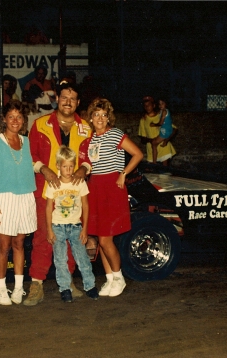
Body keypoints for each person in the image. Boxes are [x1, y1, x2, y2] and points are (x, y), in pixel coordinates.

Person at [24, 80, 92, 306]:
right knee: (44, 237)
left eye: (72, 99)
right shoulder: (40, 124)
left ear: (78, 103)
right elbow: (30, 156)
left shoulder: (86, 128)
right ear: (57, 100)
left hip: (73, 196)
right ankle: (36, 285)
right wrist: (44, 169)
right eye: (64, 98)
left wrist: (84, 168)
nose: (68, 102)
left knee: (73, 238)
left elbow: (90, 158)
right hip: (47, 193)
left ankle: (69, 282)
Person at [79, 98, 143, 297]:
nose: (100, 118)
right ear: (90, 118)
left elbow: (138, 154)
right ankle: (109, 279)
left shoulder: (115, 134)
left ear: (109, 118)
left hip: (111, 188)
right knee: (99, 238)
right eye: (96, 115)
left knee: (106, 239)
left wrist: (123, 173)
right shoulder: (89, 140)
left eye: (104, 115)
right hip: (95, 188)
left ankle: (119, 277)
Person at [0, 99, 37, 305]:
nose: (15, 120)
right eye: (11, 117)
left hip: (25, 198)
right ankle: (0, 289)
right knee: (3, 247)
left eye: (19, 117)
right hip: (3, 200)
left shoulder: (27, 142)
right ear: (4, 120)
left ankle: (18, 288)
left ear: (23, 121)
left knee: (19, 244)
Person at [46, 145, 98, 302]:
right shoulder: (53, 184)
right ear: (58, 166)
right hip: (58, 226)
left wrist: (85, 229)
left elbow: (86, 205)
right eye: (64, 167)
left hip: (76, 226)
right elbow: (49, 208)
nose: (68, 170)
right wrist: (49, 230)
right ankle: (65, 288)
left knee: (82, 257)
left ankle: (90, 285)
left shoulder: (79, 183)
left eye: (71, 166)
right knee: (60, 259)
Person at [138, 96, 177, 166]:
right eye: (145, 106)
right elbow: (143, 139)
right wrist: (151, 140)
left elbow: (174, 129)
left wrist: (166, 140)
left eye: (149, 105)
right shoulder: (143, 120)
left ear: (154, 105)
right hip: (152, 152)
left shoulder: (160, 115)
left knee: (165, 174)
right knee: (152, 175)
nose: (147, 107)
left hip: (164, 149)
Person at [149, 97, 173, 164]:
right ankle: (154, 162)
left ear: (166, 104)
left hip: (166, 131)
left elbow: (161, 123)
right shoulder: (162, 111)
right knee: (154, 141)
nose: (160, 105)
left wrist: (154, 124)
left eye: (162, 104)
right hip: (165, 130)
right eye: (159, 104)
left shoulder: (164, 111)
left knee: (153, 143)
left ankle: (154, 163)